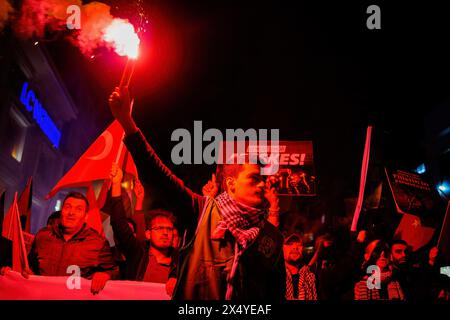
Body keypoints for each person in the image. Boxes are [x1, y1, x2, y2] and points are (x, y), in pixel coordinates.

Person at [108, 86, 286, 300]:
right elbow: (158, 175)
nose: (261, 185)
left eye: (263, 180)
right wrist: (127, 121)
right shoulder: (201, 212)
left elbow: (275, 294)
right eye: (254, 179)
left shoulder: (272, 237)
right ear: (231, 184)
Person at [1, 192, 119, 295]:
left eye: (78, 209)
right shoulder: (43, 236)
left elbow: (115, 271)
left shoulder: (98, 243)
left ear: (86, 216)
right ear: (61, 211)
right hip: (40, 297)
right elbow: (29, 267)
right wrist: (12, 274)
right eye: (68, 207)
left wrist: (106, 275)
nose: (71, 212)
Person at [107, 163, 177, 283]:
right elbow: (119, 223)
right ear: (148, 234)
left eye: (169, 229)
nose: (165, 233)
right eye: (159, 228)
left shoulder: (180, 263)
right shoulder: (138, 255)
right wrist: (116, 184)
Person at [283, 233, 317, 300]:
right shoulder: (274, 277)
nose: (295, 247)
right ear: (282, 248)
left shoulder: (310, 277)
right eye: (290, 244)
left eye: (299, 245)